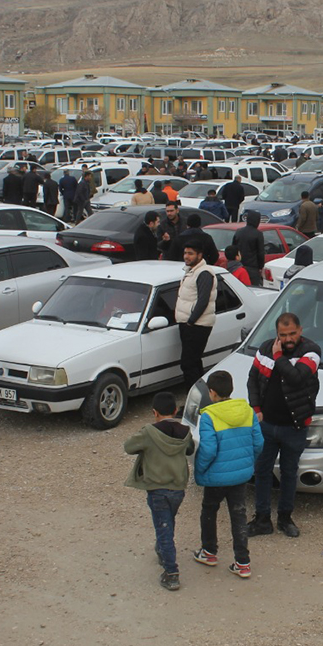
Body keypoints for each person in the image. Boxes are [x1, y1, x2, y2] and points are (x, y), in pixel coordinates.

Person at [246, 312, 321, 539]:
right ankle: (262, 519)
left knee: (289, 473)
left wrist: (279, 357)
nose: (288, 339)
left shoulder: (312, 351)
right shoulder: (265, 348)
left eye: (292, 334)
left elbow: (296, 378)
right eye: (283, 334)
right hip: (266, 425)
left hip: (294, 427)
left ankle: (285, 518)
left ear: (300, 330)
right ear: (276, 333)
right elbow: (252, 379)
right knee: (261, 471)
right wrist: (256, 409)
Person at [192, 370, 262, 581]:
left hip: (216, 477)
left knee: (209, 510)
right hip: (240, 476)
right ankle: (243, 563)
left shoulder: (209, 416)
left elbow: (208, 450)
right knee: (238, 515)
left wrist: (200, 470)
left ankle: (209, 552)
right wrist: (248, 463)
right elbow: (258, 443)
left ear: (212, 392)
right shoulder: (247, 411)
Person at [123, 391, 193, 591]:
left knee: (164, 530)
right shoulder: (185, 431)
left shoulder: (148, 432)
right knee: (168, 522)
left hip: (157, 488)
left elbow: (128, 446)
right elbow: (189, 450)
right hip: (178, 488)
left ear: (154, 412)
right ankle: (162, 550)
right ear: (174, 411)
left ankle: (171, 573)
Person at [175, 241, 217, 387]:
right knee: (194, 362)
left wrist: (190, 321)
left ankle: (192, 401)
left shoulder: (204, 273)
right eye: (185, 253)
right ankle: (201, 397)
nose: (186, 256)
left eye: (190, 253)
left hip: (197, 325)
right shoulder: (191, 271)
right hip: (190, 324)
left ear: (200, 255)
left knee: (188, 364)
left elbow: (203, 300)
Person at [234, 210, 267, 286]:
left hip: (239, 265)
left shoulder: (239, 232)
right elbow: (260, 252)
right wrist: (261, 266)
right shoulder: (258, 234)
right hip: (253, 267)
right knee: (253, 288)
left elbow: (234, 247)